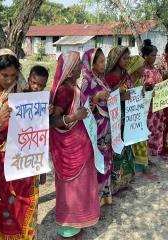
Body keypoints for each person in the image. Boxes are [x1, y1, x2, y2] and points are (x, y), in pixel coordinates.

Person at [0, 49, 39, 240]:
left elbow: (34, 128)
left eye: (13, 75)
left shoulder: (20, 94)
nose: (9, 80)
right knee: (5, 209)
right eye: (5, 75)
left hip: (25, 163)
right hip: (1, 167)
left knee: (25, 207)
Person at [50, 51, 100, 239]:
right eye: (78, 64)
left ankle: (76, 223)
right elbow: (52, 121)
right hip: (69, 147)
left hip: (80, 144)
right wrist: (74, 117)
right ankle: (68, 228)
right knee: (70, 187)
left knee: (79, 186)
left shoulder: (73, 86)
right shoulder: (65, 90)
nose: (81, 66)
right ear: (70, 70)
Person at [79, 48, 113, 206]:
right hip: (96, 126)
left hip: (107, 124)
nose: (104, 64)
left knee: (106, 155)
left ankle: (106, 192)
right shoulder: (86, 81)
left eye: (104, 61)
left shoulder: (102, 79)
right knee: (98, 157)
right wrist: (96, 97)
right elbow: (82, 105)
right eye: (100, 61)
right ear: (91, 64)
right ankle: (96, 194)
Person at [105, 46, 135, 194]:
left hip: (127, 114)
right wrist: (121, 97)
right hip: (115, 117)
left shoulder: (125, 74)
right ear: (116, 59)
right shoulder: (110, 77)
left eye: (128, 58)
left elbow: (130, 90)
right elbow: (107, 99)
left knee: (126, 145)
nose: (127, 61)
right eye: (124, 58)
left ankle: (125, 179)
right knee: (117, 147)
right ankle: (115, 182)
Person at [127, 55, 156, 179]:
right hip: (129, 119)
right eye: (141, 67)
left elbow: (141, 97)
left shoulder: (139, 81)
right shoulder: (126, 83)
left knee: (141, 140)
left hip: (138, 117)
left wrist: (148, 92)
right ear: (135, 68)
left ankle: (143, 166)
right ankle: (136, 169)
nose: (143, 70)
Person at [26, 65, 51, 185]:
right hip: (21, 152)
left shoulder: (45, 102)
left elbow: (44, 138)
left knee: (33, 190)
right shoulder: (19, 98)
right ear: (28, 80)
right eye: (33, 82)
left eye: (40, 85)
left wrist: (43, 171)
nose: (36, 87)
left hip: (36, 154)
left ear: (45, 86)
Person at [142, 42, 165, 158]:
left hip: (158, 106)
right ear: (145, 56)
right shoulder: (142, 71)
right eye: (152, 55)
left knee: (156, 129)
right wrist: (148, 88)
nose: (154, 58)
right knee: (148, 129)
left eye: (155, 55)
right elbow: (140, 88)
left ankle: (154, 152)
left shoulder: (155, 69)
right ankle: (146, 156)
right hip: (148, 108)